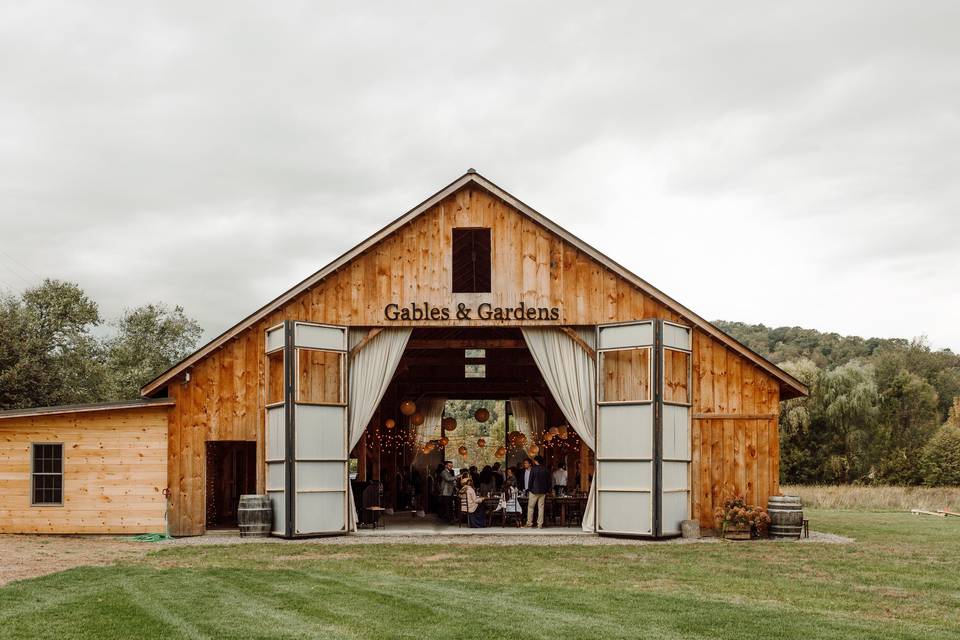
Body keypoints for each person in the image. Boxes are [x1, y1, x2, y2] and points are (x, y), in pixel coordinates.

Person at [524, 456, 552, 528]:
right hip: (543, 491)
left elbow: (531, 480)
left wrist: (529, 489)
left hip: (533, 491)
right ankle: (540, 524)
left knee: (530, 507)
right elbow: (549, 481)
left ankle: (529, 523)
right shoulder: (546, 469)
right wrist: (548, 490)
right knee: (541, 508)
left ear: (536, 461)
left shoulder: (533, 469)